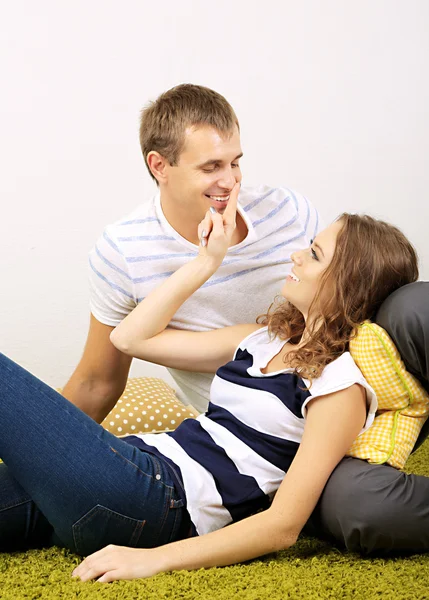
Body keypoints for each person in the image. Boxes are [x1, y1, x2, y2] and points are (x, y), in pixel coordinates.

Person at [61, 83, 429, 554]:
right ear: (160, 167)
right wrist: (203, 263)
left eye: (235, 162)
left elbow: (351, 284)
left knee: (415, 305)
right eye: (211, 166)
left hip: (344, 389)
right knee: (358, 506)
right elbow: (107, 367)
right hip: (237, 438)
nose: (231, 180)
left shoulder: (288, 212)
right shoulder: (135, 259)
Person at [0, 186, 420, 583]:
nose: (295, 256)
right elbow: (130, 339)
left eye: (313, 254)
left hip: (155, 499)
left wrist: (153, 559)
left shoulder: (339, 386)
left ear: (348, 284)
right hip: (128, 472)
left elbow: (282, 526)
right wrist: (205, 262)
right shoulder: (259, 339)